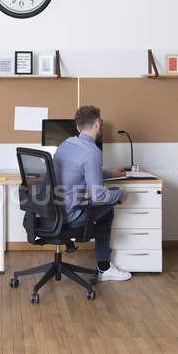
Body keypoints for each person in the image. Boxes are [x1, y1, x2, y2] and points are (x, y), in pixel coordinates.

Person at [52, 105, 132, 281]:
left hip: (51, 214)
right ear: (97, 123)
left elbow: (81, 171)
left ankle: (104, 267)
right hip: (70, 217)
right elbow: (99, 197)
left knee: (104, 209)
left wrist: (111, 173)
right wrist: (120, 195)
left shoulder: (67, 144)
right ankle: (104, 267)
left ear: (78, 127)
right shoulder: (92, 152)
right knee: (108, 203)